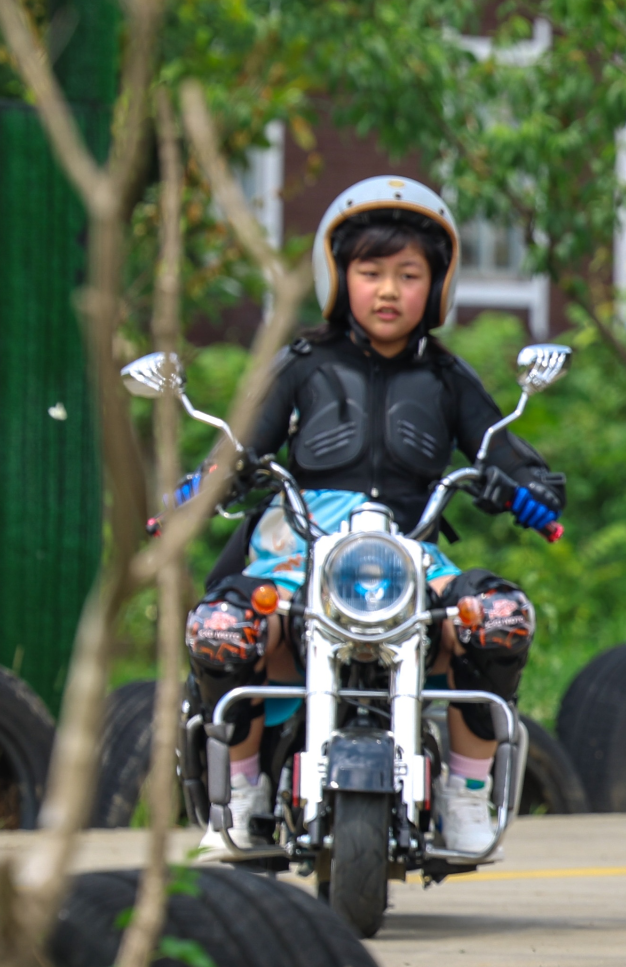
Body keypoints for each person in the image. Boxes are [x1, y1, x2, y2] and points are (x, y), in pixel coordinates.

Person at [179, 176, 566, 857]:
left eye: (409, 274)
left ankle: (466, 792)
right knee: (224, 626)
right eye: (371, 272)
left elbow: (507, 454)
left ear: (437, 285)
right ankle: (241, 789)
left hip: (409, 549)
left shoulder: (448, 380)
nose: (389, 291)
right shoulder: (301, 365)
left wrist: (530, 489)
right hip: (300, 549)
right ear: (339, 277)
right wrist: (206, 484)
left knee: (499, 619)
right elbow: (238, 447)